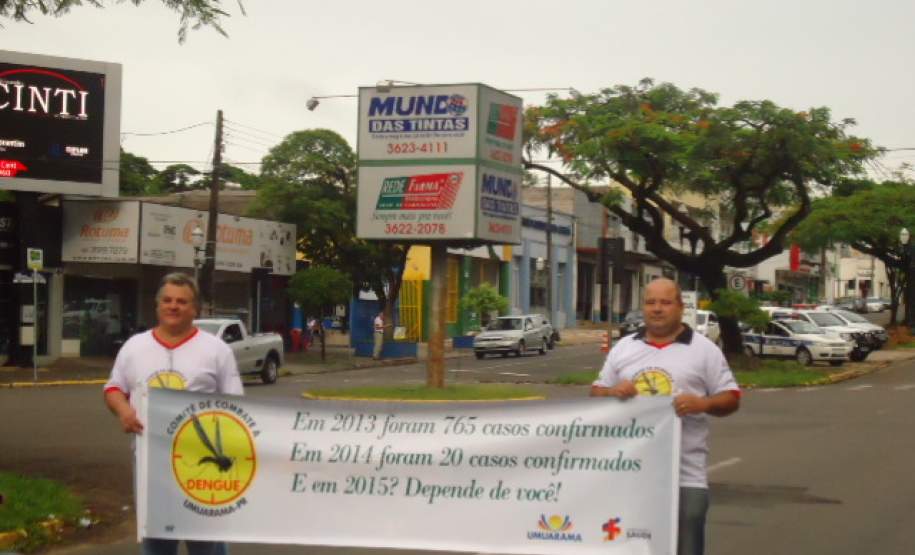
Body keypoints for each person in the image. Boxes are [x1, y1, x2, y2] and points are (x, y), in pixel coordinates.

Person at [590, 278, 740, 555]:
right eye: (650, 302)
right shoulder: (623, 348)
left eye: (665, 302)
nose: (657, 309)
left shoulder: (704, 350)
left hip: (685, 475)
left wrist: (703, 403)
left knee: (686, 544)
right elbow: (595, 393)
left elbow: (731, 398)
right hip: (629, 474)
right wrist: (611, 392)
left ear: (681, 308)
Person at [103, 272, 242, 555]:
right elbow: (114, 388)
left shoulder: (216, 350)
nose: (173, 306)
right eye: (167, 300)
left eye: (182, 301)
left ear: (195, 309)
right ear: (157, 306)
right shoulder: (134, 347)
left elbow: (236, 406)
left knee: (206, 543)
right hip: (151, 464)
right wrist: (124, 410)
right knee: (156, 542)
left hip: (203, 469)